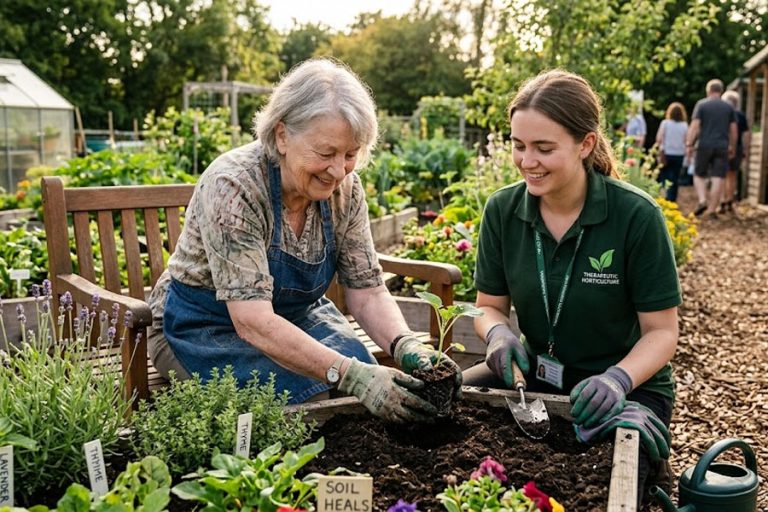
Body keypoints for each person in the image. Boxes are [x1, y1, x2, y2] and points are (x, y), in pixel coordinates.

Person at [146, 58, 462, 423]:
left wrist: (405, 345)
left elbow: (368, 291)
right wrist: (351, 375)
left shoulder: (346, 191)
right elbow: (252, 321)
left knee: (369, 396)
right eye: (326, 153)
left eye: (350, 154)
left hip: (296, 317)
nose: (338, 170)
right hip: (204, 326)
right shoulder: (235, 188)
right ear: (282, 136)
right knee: (305, 406)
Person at [463, 70, 681, 505]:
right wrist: (499, 334)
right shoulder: (503, 210)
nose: (527, 161)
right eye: (518, 145)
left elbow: (662, 332)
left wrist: (618, 379)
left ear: (585, 144)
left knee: (614, 486)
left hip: (626, 389)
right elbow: (487, 306)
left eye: (544, 148)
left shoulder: (635, 216)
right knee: (445, 409)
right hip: (536, 378)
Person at [686, 79, 737, 219]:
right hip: (722, 147)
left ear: (708, 90)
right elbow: (733, 129)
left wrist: (689, 143)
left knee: (699, 174)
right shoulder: (728, 107)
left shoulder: (701, 105)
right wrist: (732, 145)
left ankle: (702, 200)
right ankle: (712, 210)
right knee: (718, 177)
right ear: (721, 91)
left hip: (704, 145)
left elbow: (695, 125)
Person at [720, 90, 751, 213]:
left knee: (721, 175)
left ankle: (722, 200)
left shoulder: (723, 114)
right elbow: (747, 134)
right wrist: (745, 149)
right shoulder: (741, 115)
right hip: (737, 147)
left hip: (723, 146)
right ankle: (729, 199)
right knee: (732, 175)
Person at [654, 102, 689, 202]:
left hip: (666, 154)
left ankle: (663, 197)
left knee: (664, 176)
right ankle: (672, 199)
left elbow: (659, 139)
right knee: (675, 178)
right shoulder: (684, 125)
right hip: (679, 154)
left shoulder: (665, 123)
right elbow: (686, 140)